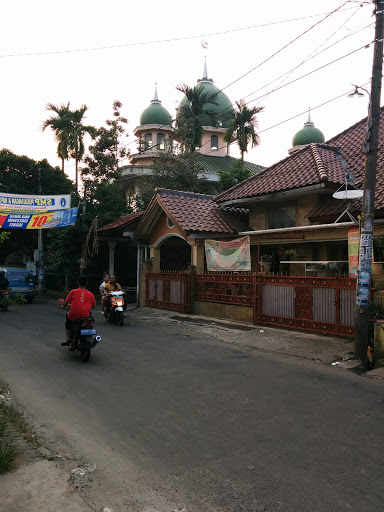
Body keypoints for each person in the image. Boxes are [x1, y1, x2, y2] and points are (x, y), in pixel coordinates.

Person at [61, 275, 96, 346]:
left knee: (67, 318)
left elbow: (66, 302)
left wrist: (63, 307)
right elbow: (94, 305)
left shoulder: (73, 292)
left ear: (78, 283)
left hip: (74, 316)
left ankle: (68, 338)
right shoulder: (90, 294)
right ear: (87, 283)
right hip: (86, 316)